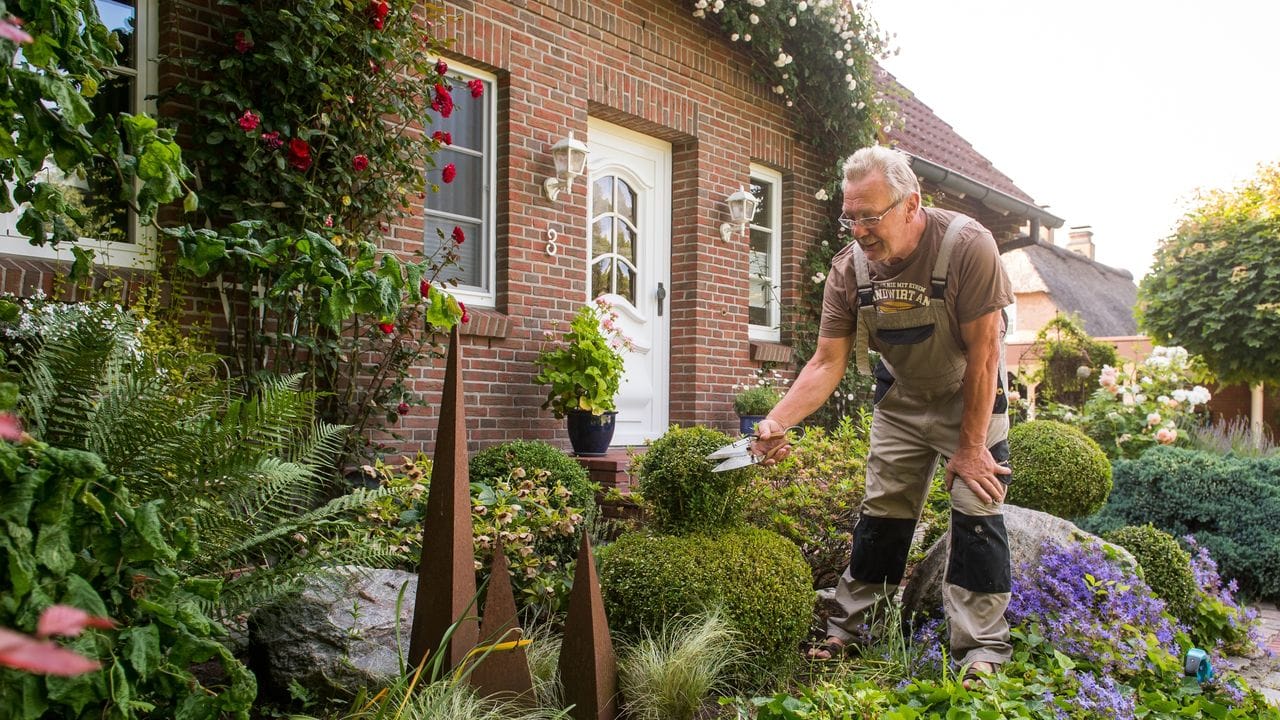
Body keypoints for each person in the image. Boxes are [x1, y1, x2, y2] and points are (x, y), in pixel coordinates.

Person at [752, 146, 1014, 687]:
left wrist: (970, 448)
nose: (860, 230)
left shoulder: (967, 246)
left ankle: (981, 649)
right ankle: (850, 629)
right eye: (851, 217)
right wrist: (778, 421)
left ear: (911, 204)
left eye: (870, 216)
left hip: (971, 395)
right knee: (883, 513)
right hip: (901, 400)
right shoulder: (850, 269)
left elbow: (986, 354)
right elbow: (827, 361)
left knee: (975, 508)